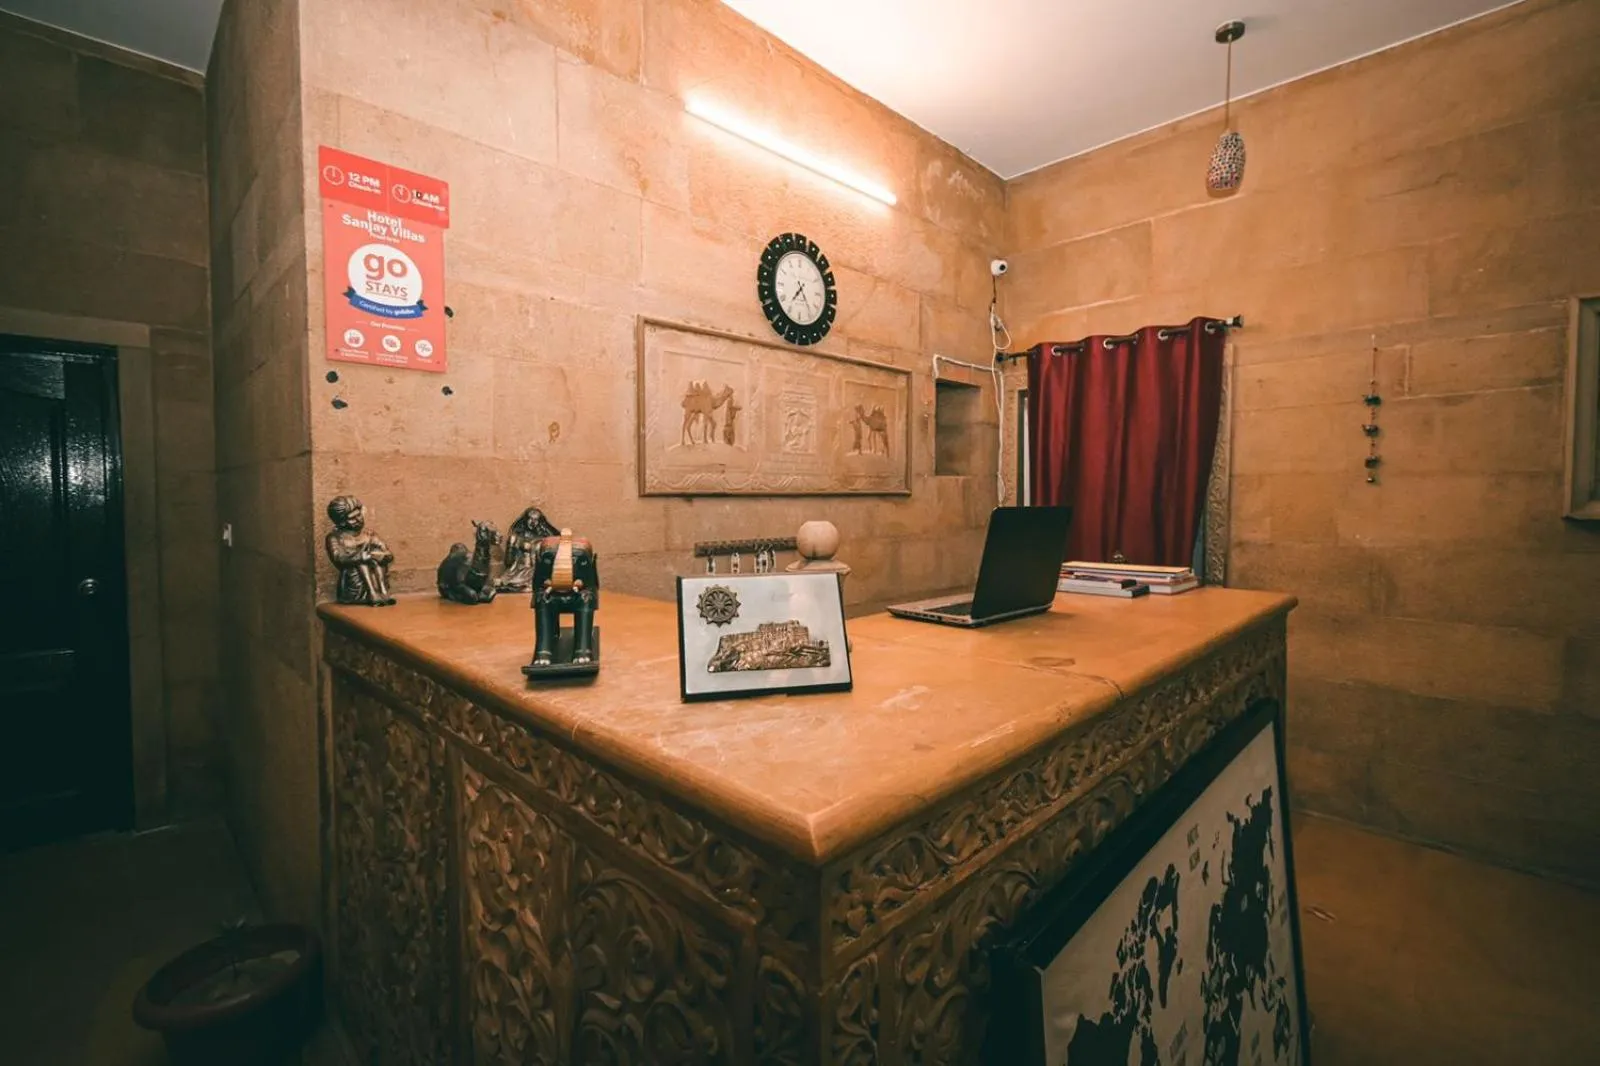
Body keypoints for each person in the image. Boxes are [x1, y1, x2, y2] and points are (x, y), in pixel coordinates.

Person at [324, 495, 395, 606]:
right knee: (362, 560)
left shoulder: (369, 534)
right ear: (342, 522)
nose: (358, 520)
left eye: (359, 515)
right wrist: (360, 557)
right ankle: (371, 594)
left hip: (374, 575)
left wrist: (382, 555)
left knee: (375, 559)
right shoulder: (335, 537)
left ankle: (383, 592)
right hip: (355, 584)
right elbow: (338, 557)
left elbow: (387, 553)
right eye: (352, 518)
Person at [497, 506, 560, 592]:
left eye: (536, 519)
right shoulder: (518, 535)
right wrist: (515, 545)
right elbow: (509, 561)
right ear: (525, 520)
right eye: (530, 519)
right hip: (519, 568)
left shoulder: (543, 535)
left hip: (535, 569)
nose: (533, 522)